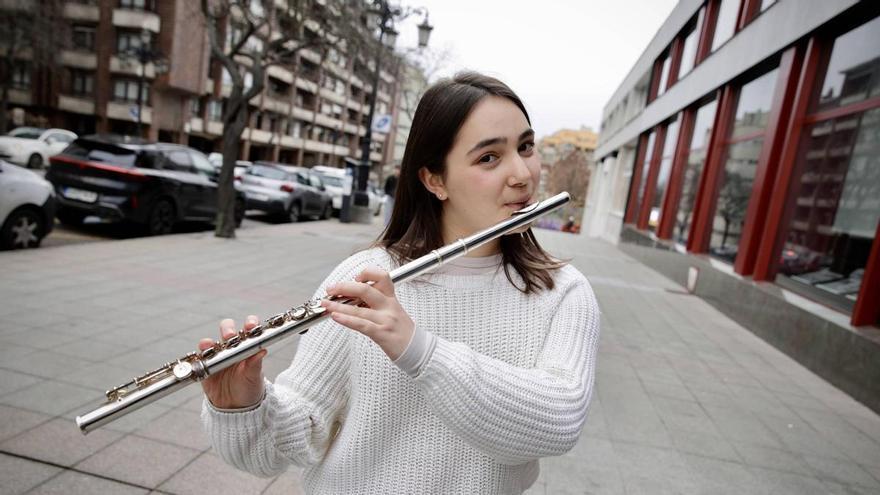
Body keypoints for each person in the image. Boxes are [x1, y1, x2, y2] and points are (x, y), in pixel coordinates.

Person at [199, 71, 601, 494]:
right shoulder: (366, 276)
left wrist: (419, 350)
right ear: (435, 180)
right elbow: (298, 433)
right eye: (489, 157)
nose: (522, 173)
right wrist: (244, 407)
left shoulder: (563, 293)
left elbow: (559, 422)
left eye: (525, 147)